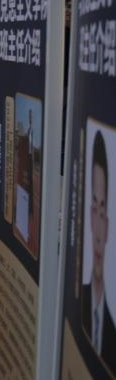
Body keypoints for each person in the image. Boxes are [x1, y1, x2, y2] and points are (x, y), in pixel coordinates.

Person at [82, 131, 116, 367]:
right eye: (94, 207)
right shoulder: (76, 309)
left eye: (102, 210)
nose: (97, 231)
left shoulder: (111, 337)